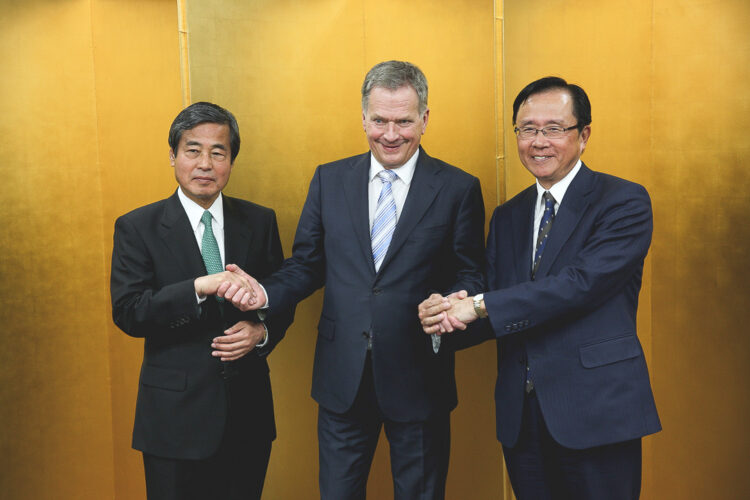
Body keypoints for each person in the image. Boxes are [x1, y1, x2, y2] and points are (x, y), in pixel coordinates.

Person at [238, 61, 485, 499]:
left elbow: (470, 272)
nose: (391, 134)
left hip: (419, 376)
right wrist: (265, 293)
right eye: (379, 121)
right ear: (363, 117)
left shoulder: (459, 188)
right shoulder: (329, 179)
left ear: (425, 119)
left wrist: (449, 302)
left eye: (404, 121)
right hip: (342, 378)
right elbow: (306, 264)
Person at [419, 77, 661, 499]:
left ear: (583, 135)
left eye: (554, 128)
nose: (539, 141)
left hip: (596, 412)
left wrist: (477, 305)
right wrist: (444, 314)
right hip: (522, 416)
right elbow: (497, 307)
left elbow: (579, 285)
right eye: (527, 129)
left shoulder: (623, 201)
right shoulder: (509, 215)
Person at [110, 101, 294, 500]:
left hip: (248, 416)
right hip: (174, 422)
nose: (205, 163)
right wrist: (198, 286)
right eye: (193, 150)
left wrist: (262, 332)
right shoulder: (137, 227)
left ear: (232, 160)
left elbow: (282, 297)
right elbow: (129, 312)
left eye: (218, 152)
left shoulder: (260, 221)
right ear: (173, 156)